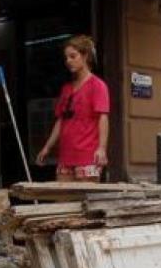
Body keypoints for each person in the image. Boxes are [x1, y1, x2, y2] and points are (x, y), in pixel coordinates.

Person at [36, 35, 110, 182]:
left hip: (88, 155)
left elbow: (103, 117)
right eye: (66, 58)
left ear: (85, 56)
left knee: (86, 201)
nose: (68, 61)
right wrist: (47, 147)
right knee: (62, 201)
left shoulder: (97, 85)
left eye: (73, 56)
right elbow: (60, 120)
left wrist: (101, 148)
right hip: (66, 156)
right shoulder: (66, 89)